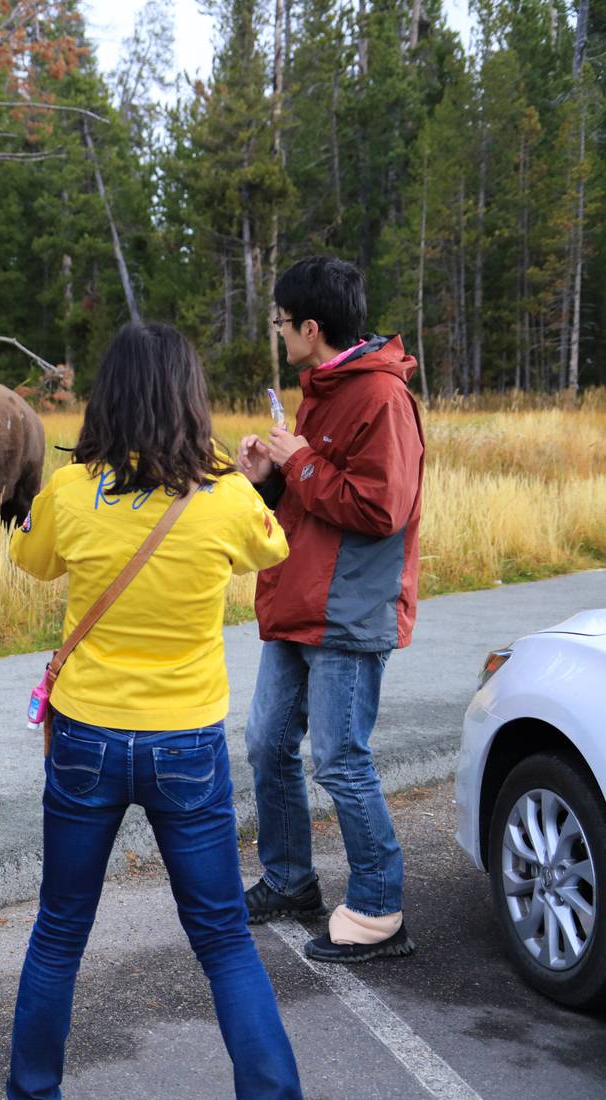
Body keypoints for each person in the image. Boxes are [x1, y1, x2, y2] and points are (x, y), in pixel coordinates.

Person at [7, 322, 301, 1100]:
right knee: (224, 940)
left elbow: (28, 558)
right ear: (189, 399)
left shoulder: (72, 492)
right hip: (186, 744)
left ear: (109, 398)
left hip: (84, 738)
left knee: (60, 933)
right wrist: (261, 475)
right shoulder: (228, 498)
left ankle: (31, 1092)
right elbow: (272, 548)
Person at [236, 256, 424, 963]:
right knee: (267, 743)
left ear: (311, 328)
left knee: (342, 760)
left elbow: (382, 507)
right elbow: (313, 501)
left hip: (349, 608)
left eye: (283, 322)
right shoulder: (323, 388)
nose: (279, 334)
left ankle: (380, 910)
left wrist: (303, 460)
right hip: (299, 599)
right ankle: (290, 880)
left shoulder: (380, 397)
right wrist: (270, 478)